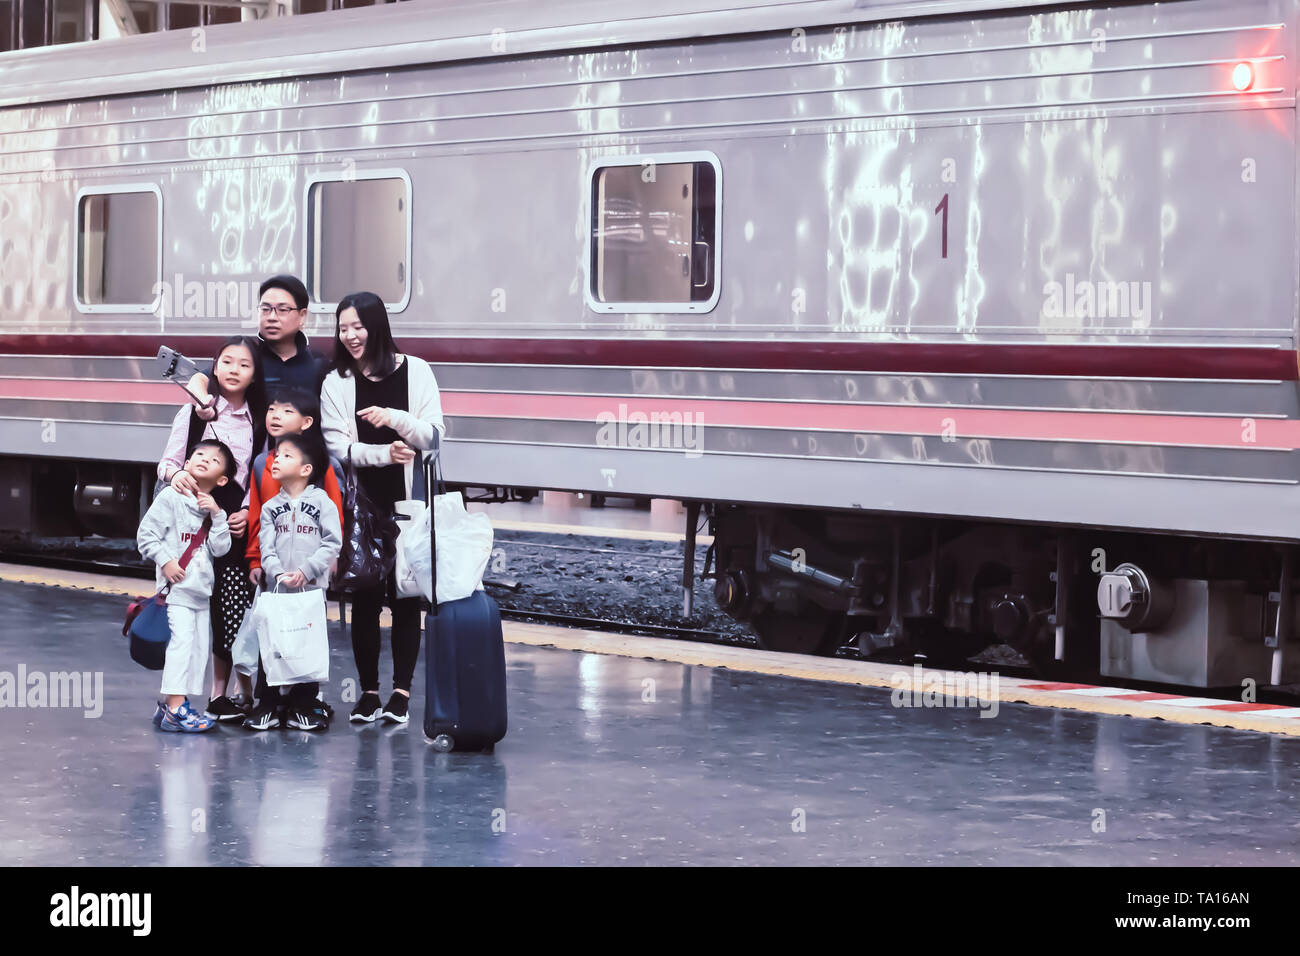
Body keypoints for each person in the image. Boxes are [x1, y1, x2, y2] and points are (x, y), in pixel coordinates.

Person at [320, 291, 445, 725]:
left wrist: (394, 418)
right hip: (361, 506)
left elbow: (433, 436)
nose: (351, 336)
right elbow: (336, 446)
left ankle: (402, 694)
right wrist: (382, 455)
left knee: (408, 598)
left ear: (377, 327)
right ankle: (369, 692)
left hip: (409, 503)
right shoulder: (337, 380)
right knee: (366, 598)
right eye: (343, 328)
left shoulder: (418, 371)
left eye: (358, 326)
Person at [157, 335, 266, 722]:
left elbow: (262, 472)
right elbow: (166, 464)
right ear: (213, 368)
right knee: (197, 611)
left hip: (235, 523)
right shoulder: (192, 413)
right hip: (194, 525)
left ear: (255, 375)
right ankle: (206, 695)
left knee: (233, 607)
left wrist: (250, 511)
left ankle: (239, 691)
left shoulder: (259, 418)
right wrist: (178, 476)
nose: (234, 370)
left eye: (244, 364)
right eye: (227, 362)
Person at [242, 387, 345, 731]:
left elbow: (334, 528)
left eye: (285, 411)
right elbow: (258, 521)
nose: (274, 415)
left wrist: (315, 567)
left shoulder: (322, 471)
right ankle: (268, 701)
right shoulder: (263, 465)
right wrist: (259, 563)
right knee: (269, 635)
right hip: (274, 581)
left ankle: (305, 701)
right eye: (271, 409)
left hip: (310, 581)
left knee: (307, 635)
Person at [137, 440, 235, 733]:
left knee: (196, 651)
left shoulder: (213, 510)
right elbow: (146, 534)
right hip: (175, 592)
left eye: (214, 459)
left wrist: (218, 516)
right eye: (198, 454)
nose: (204, 459)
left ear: (222, 479)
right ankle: (176, 708)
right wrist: (166, 561)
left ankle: (173, 704)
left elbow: (220, 549)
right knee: (181, 647)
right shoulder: (171, 497)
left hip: (201, 594)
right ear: (187, 463)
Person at [187, 274, 327, 415]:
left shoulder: (318, 363)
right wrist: (204, 402)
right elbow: (199, 380)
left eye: (282, 310)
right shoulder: (248, 356)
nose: (272, 317)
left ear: (302, 316)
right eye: (265, 309)